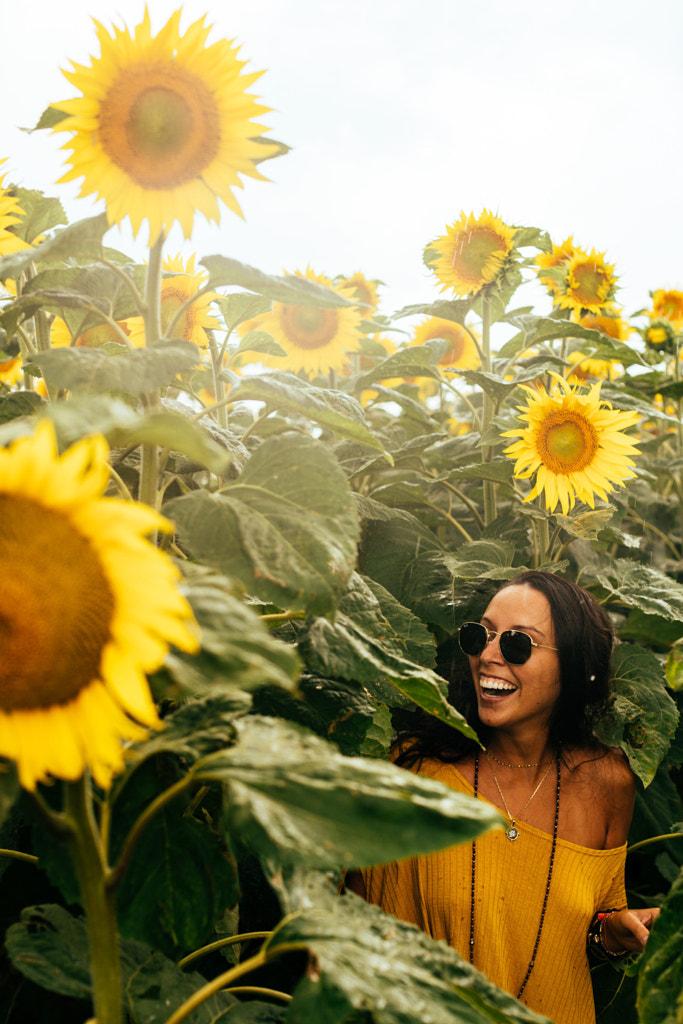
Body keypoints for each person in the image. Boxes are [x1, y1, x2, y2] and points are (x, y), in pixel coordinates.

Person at [347, 570, 659, 1024]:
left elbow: (580, 932)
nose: (489, 656)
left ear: (572, 666)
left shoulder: (608, 784)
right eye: (481, 636)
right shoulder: (413, 774)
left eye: (517, 643)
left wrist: (612, 933)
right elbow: (346, 941)